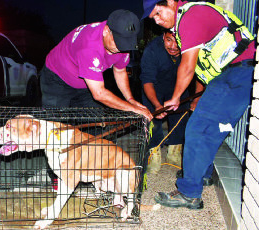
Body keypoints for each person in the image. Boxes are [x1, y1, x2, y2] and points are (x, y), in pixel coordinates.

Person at [142, 0, 255, 209]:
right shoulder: (187, 18)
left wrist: (175, 97)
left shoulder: (191, 17)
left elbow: (188, 66)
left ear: (171, 2)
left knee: (196, 129)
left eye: (158, 12)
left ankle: (189, 193)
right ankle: (200, 176)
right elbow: (203, 67)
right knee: (207, 129)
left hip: (237, 72)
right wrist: (196, 97)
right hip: (231, 74)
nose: (157, 21)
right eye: (153, 18)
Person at [40, 9, 153, 121]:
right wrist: (132, 109)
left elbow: (120, 71)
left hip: (85, 84)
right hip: (57, 79)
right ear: (106, 31)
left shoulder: (123, 45)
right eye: (118, 42)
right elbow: (99, 94)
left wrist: (130, 99)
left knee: (95, 122)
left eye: (125, 43)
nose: (120, 48)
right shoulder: (89, 45)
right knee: (55, 126)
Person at [140, 29, 190, 174]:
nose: (174, 46)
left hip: (180, 86)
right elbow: (147, 81)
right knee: (152, 122)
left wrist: (197, 99)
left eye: (178, 41)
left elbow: (198, 72)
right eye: (169, 40)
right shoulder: (152, 50)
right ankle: (153, 157)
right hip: (154, 88)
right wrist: (157, 105)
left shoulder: (191, 48)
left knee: (181, 118)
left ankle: (174, 153)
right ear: (163, 36)